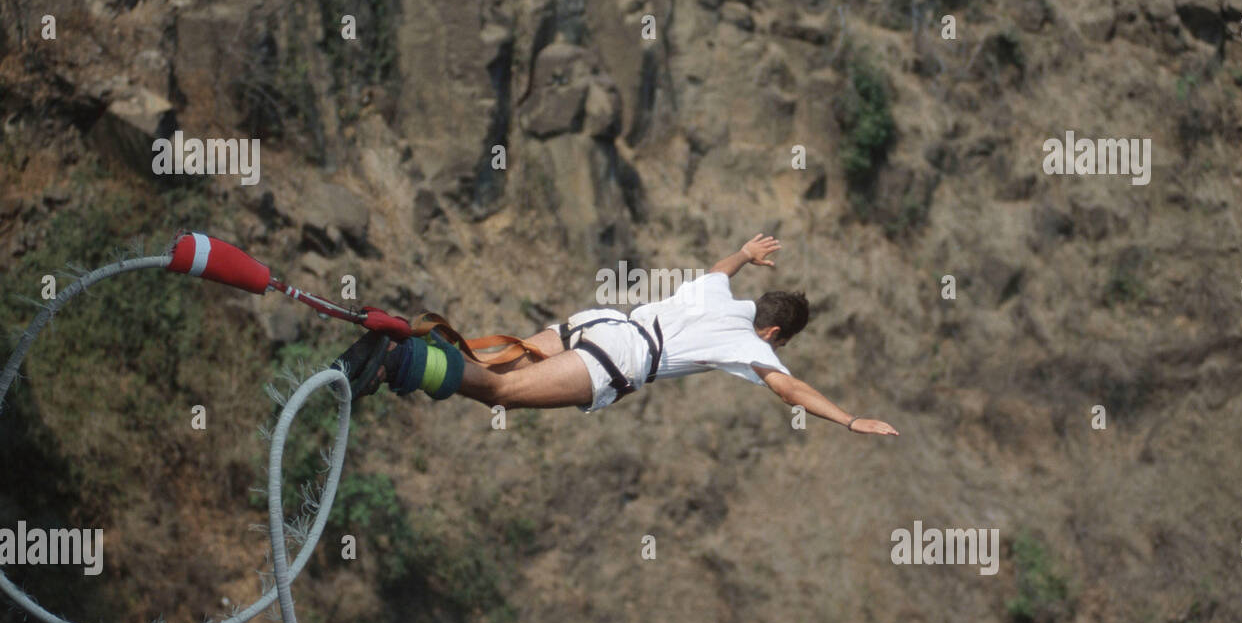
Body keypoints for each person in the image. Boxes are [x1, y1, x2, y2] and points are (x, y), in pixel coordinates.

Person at [332, 234, 899, 437]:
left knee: (498, 364)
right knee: (496, 392)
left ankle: (397, 349)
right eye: (778, 343)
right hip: (623, 356)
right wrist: (849, 419)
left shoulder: (716, 291)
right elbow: (791, 391)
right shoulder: (750, 346)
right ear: (773, 331)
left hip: (601, 320)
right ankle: (402, 359)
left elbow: (723, 267)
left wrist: (747, 255)